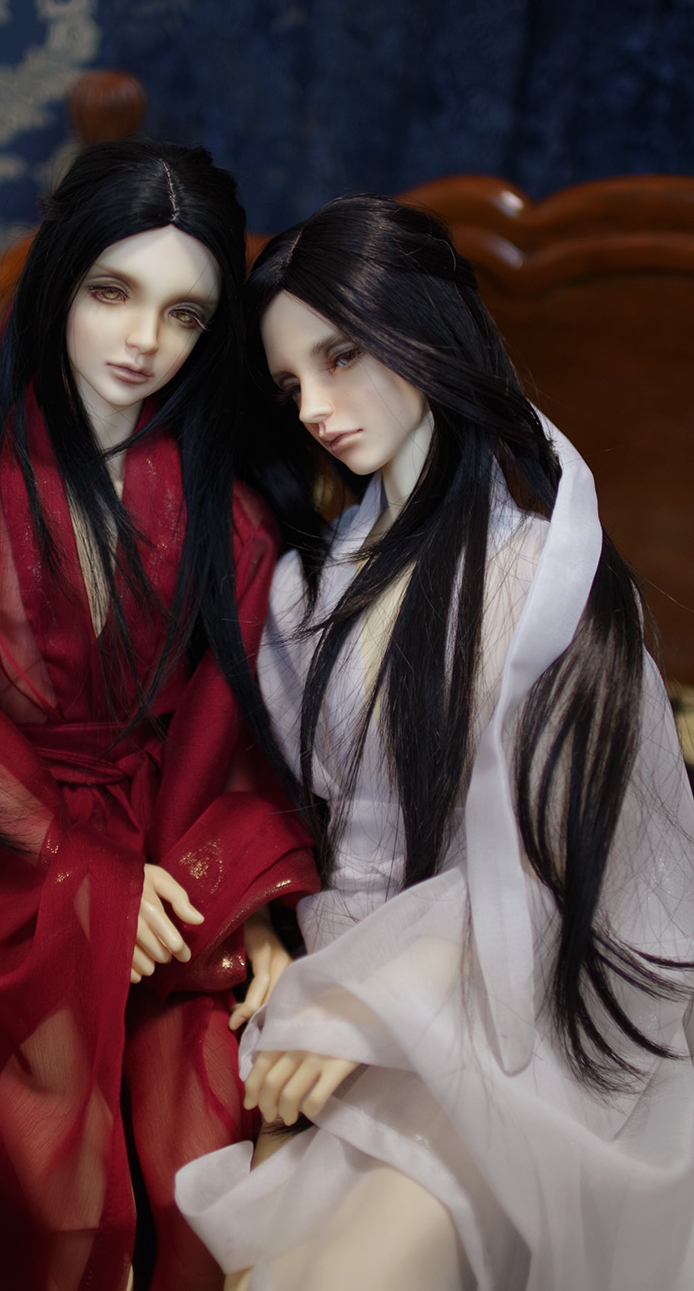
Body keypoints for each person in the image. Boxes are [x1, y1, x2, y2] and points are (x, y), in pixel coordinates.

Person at [0, 140, 318, 1291]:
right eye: (112, 293)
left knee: (197, 1137)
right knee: (7, 1145)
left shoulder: (230, 522)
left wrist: (247, 913)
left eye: (183, 314)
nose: (143, 340)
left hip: (166, 863)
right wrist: (81, 882)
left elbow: (225, 744)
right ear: (60, 285)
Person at [176, 195, 694, 1290]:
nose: (317, 409)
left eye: (341, 356)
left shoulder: (547, 584)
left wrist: (375, 1005)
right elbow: (274, 804)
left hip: (510, 1007)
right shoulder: (305, 595)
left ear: (418, 327)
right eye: (290, 386)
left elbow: (580, 872)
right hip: (336, 995)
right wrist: (269, 931)